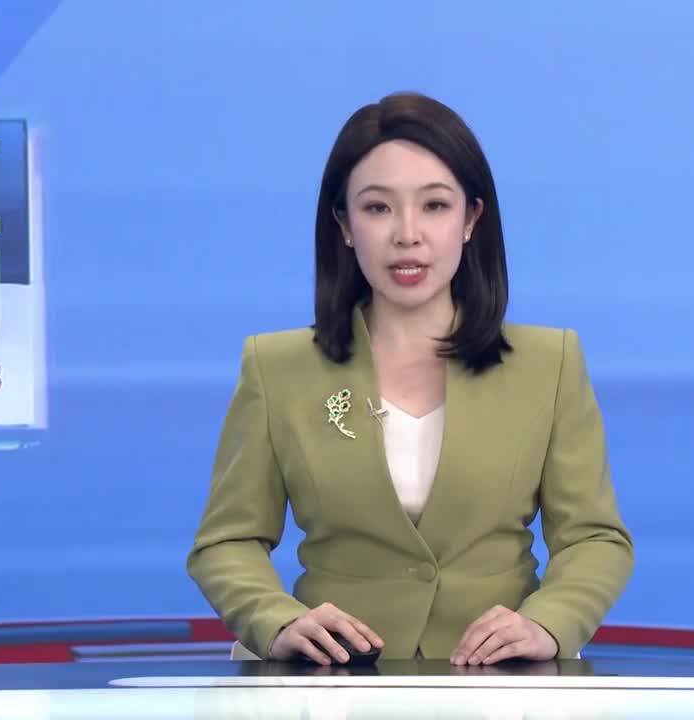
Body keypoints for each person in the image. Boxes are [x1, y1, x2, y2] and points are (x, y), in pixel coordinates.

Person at [186, 91, 633, 667]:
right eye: (378, 208)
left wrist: (549, 622)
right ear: (344, 224)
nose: (407, 234)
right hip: (331, 679)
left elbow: (595, 539)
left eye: (435, 205)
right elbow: (227, 541)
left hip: (500, 681)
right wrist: (277, 620)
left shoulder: (551, 363)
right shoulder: (276, 367)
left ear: (471, 219)